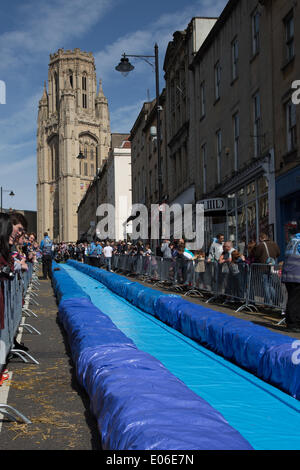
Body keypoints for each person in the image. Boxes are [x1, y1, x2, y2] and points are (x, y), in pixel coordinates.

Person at [252, 233, 280, 306]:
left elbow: (256, 256)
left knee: (266, 285)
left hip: (263, 267)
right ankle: (276, 302)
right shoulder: (274, 244)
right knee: (271, 285)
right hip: (272, 266)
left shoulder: (260, 245)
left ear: (261, 238)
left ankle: (267, 303)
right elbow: (278, 253)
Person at [281, 233, 300, 332]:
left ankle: (291, 322)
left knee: (292, 299)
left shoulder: (292, 241)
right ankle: (293, 324)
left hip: (288, 275)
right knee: (295, 301)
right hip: (297, 276)